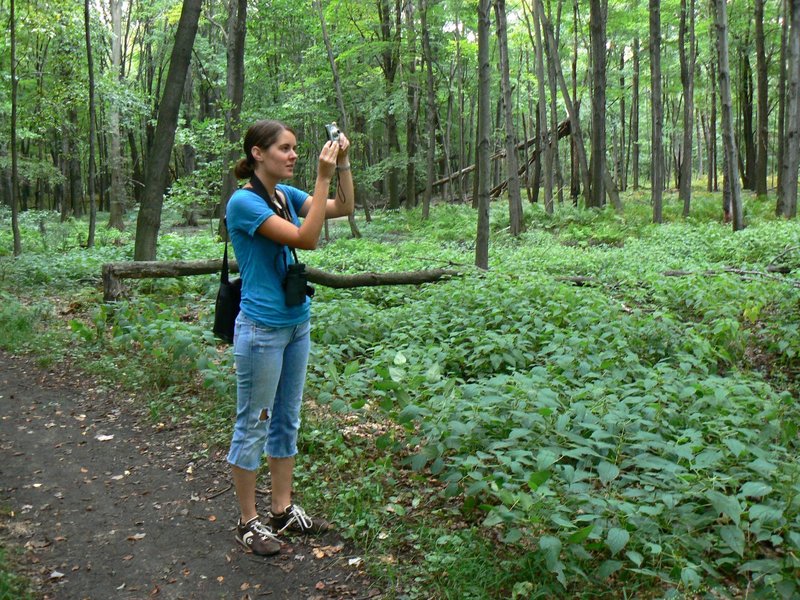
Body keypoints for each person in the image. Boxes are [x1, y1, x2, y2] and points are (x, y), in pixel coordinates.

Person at [224, 119, 354, 556]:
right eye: (284, 148)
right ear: (258, 154)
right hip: (261, 329)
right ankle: (248, 521)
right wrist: (321, 176)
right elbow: (307, 238)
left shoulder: (284, 195)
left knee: (287, 420)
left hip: (297, 322)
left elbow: (342, 208)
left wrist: (344, 166)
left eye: (296, 148)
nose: (294, 154)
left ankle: (281, 509)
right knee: (254, 423)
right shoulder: (244, 203)